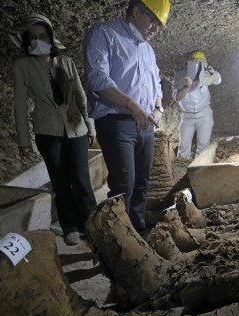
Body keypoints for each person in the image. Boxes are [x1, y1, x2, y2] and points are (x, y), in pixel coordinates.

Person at [83, 0, 171, 235]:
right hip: (116, 122)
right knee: (124, 186)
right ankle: (118, 240)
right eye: (153, 21)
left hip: (145, 125)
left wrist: (158, 109)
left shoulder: (148, 50)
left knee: (142, 183)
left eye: (159, 25)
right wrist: (133, 106)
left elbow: (157, 86)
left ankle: (138, 235)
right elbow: (98, 80)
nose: (155, 28)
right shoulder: (104, 33)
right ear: (135, 11)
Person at [9, 13, 97, 246]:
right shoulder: (23, 66)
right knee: (60, 180)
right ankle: (70, 226)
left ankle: (93, 223)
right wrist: (23, 139)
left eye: (42, 35)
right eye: (33, 36)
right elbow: (19, 104)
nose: (38, 39)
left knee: (80, 179)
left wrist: (90, 127)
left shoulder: (65, 61)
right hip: (48, 131)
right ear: (27, 41)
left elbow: (79, 95)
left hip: (75, 127)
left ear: (50, 37)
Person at [172, 50, 222, 160]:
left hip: (204, 114)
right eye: (194, 64)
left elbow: (218, 80)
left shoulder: (205, 74)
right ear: (188, 63)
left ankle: (199, 170)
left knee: (203, 147)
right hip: (187, 116)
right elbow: (177, 98)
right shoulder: (180, 75)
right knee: (183, 147)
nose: (197, 66)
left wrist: (209, 69)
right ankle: (182, 171)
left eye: (200, 64)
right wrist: (186, 86)